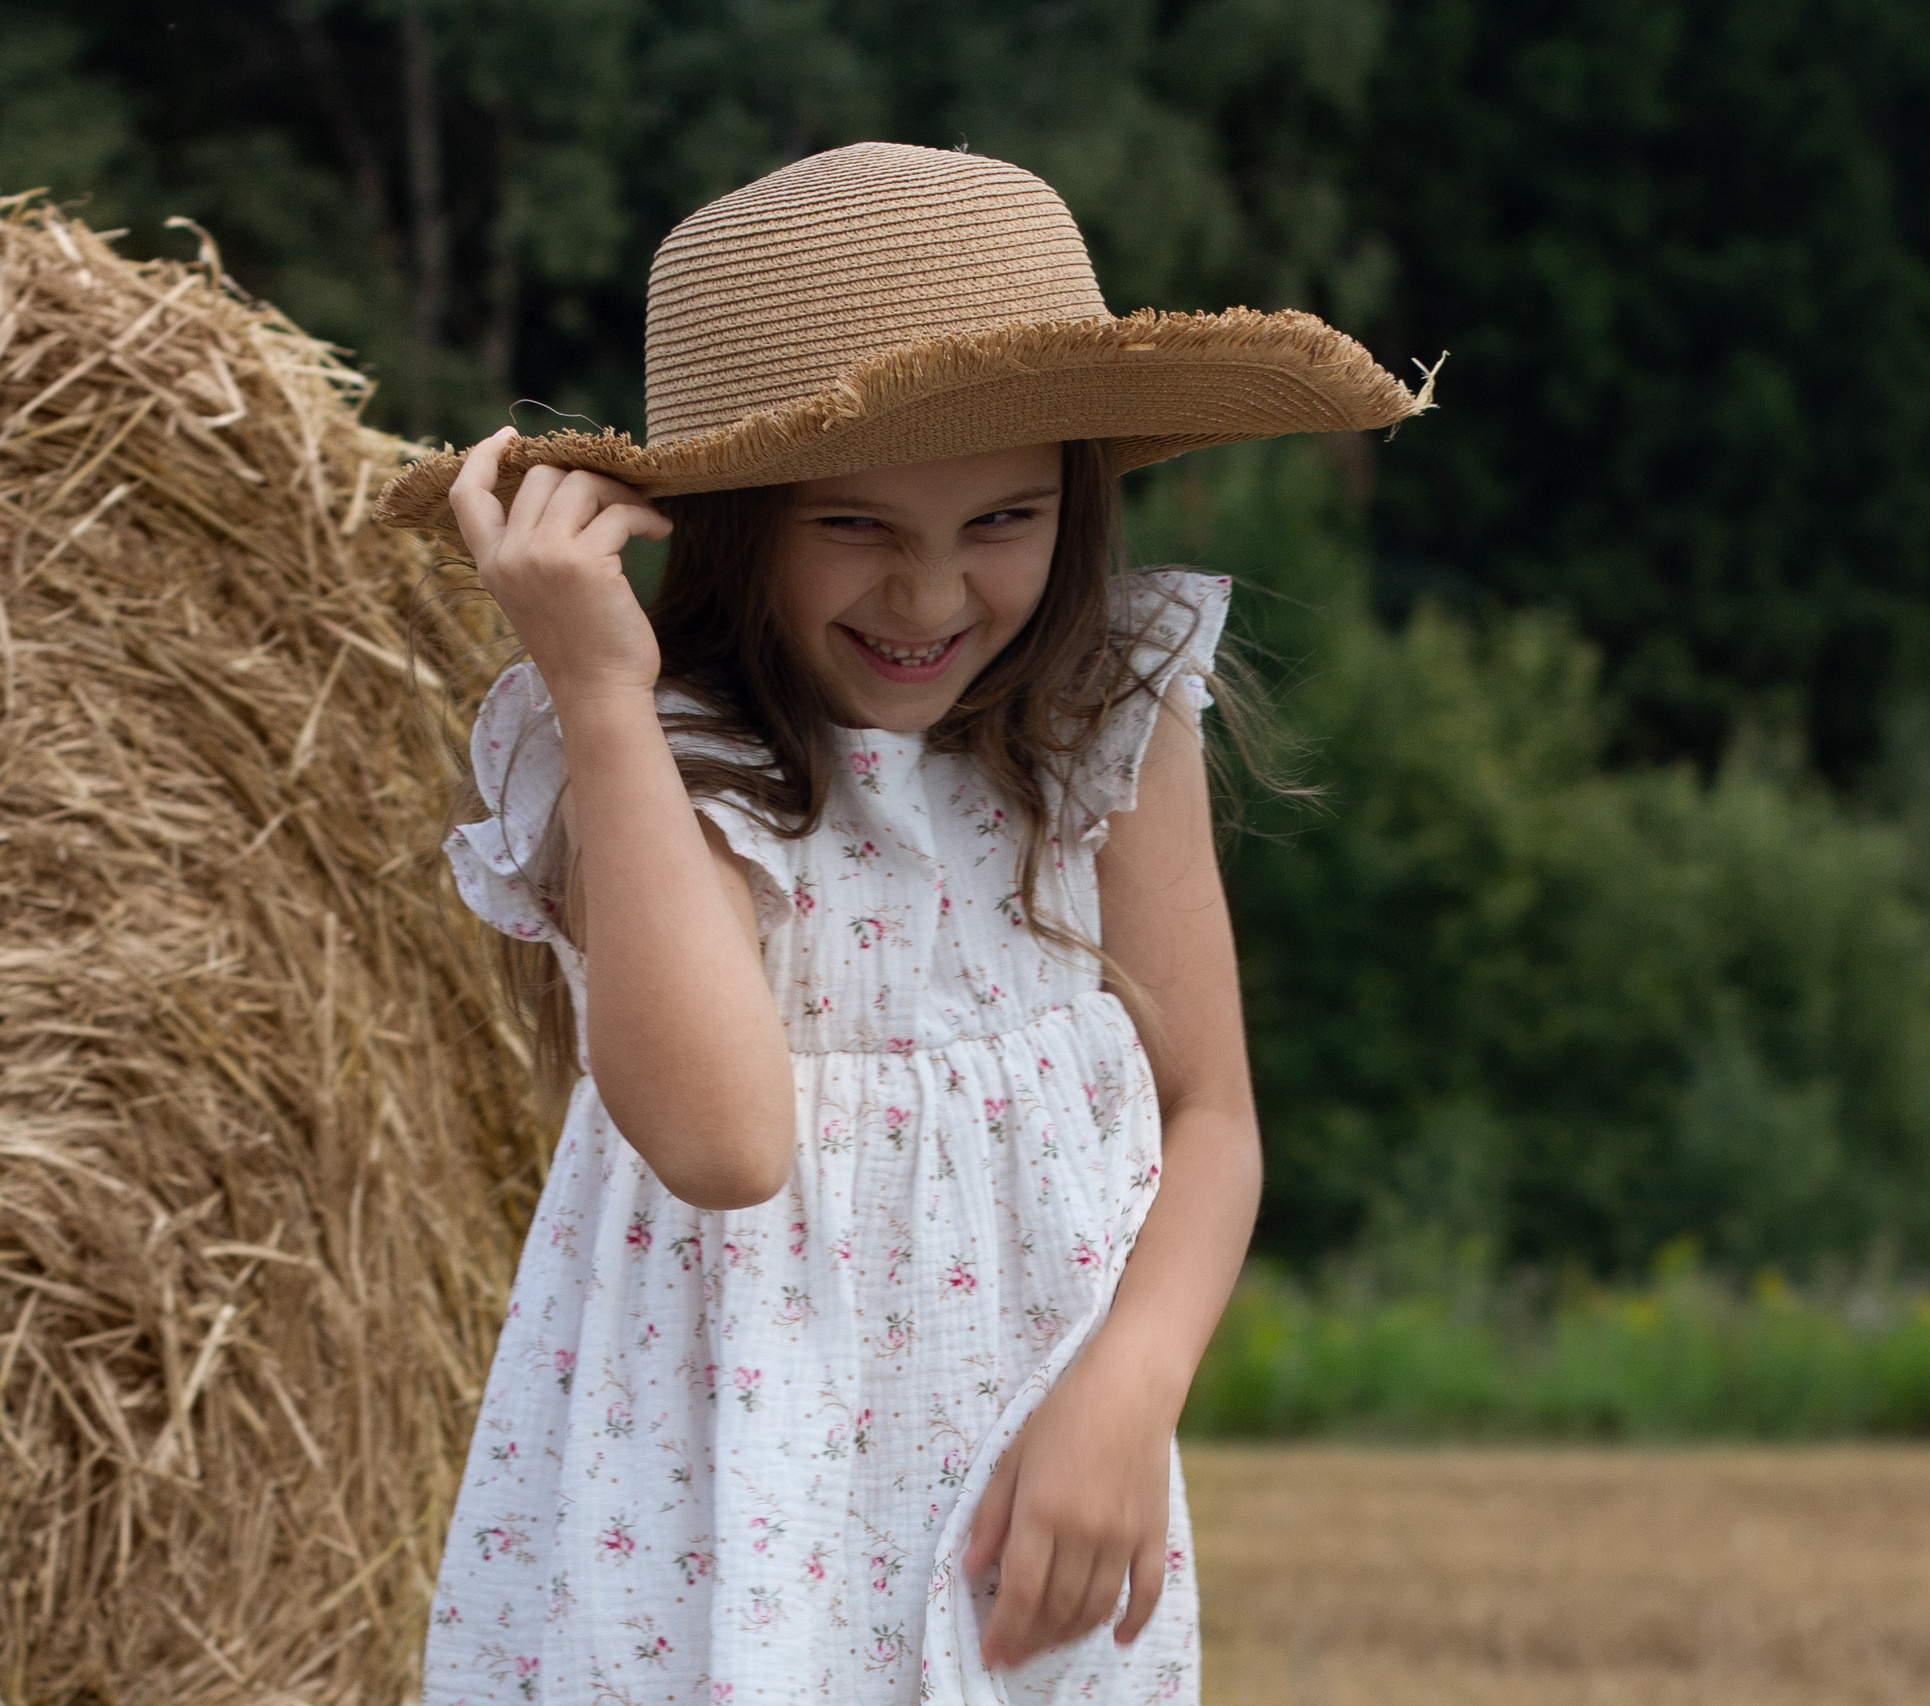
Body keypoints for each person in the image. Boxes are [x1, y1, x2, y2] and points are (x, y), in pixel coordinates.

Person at [376, 142, 1429, 1704]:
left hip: (1040, 1490)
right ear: (730, 523)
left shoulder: (1105, 728)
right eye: (855, 527)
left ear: (1077, 496)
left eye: (1003, 517)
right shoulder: (658, 774)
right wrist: (600, 689)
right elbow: (727, 1143)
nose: (932, 595)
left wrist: (1127, 1397)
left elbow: (1213, 1117)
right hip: (715, 1528)